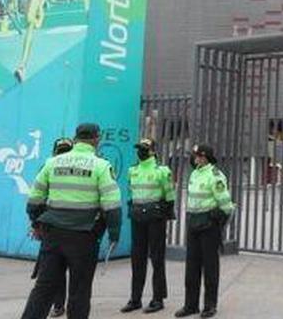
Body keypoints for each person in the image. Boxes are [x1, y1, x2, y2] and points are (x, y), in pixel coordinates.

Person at [21, 124, 121, 319]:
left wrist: (36, 222)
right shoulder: (101, 165)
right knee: (79, 291)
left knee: (44, 288)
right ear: (96, 139)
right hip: (84, 236)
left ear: (75, 138)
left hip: (53, 234)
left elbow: (34, 198)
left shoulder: (53, 162)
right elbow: (111, 204)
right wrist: (114, 233)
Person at [175, 145, 234, 318]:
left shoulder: (215, 176)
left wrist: (217, 221)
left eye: (200, 156)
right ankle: (190, 305)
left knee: (210, 267)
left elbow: (226, 205)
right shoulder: (194, 173)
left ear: (207, 157)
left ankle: (210, 306)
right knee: (191, 267)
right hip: (193, 225)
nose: (196, 159)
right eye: (195, 156)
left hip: (209, 227)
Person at [121, 138, 176, 314]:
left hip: (155, 217)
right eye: (139, 149)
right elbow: (130, 193)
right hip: (137, 217)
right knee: (137, 258)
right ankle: (135, 298)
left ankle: (158, 298)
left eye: (144, 149)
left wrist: (166, 213)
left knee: (157, 258)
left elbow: (169, 195)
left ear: (153, 151)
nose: (141, 152)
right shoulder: (132, 171)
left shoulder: (162, 171)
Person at [30, 138, 74, 317]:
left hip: (57, 225)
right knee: (57, 268)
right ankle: (59, 304)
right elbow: (38, 197)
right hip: (66, 225)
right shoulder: (48, 168)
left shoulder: (48, 167)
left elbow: (35, 199)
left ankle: (59, 304)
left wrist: (36, 222)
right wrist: (37, 222)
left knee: (54, 267)